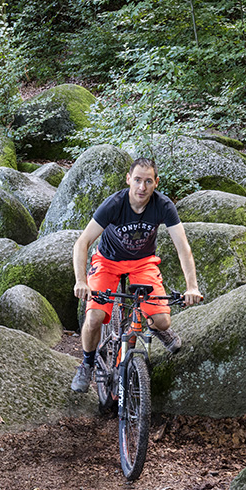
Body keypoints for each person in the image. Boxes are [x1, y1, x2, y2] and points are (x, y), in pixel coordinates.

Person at [70, 157, 203, 392]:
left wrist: (192, 286)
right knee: (94, 318)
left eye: (148, 181)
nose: (142, 187)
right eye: (138, 180)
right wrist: (81, 281)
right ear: (129, 179)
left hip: (142, 263)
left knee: (162, 321)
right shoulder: (114, 204)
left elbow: (183, 247)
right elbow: (82, 243)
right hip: (108, 262)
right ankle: (87, 364)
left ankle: (151, 325)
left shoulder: (163, 206)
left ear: (156, 183)